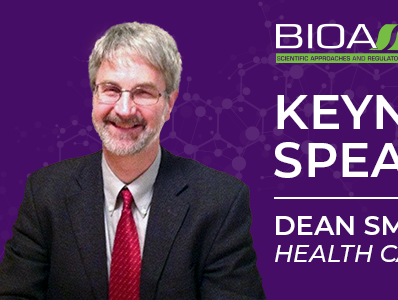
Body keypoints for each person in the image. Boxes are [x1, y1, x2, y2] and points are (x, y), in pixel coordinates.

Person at [0, 22, 265, 300]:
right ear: (94, 95)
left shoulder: (221, 201)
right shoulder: (45, 192)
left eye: (143, 92)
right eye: (111, 89)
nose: (125, 110)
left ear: (170, 103)